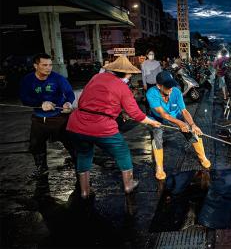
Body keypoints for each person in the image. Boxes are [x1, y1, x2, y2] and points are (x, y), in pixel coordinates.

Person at [66, 56, 161, 199]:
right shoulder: (123, 87)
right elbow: (135, 114)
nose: (130, 77)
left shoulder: (96, 78)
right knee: (122, 152)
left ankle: (85, 191)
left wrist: (119, 111)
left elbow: (87, 99)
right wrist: (152, 122)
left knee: (84, 154)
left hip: (77, 124)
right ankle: (129, 185)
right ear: (123, 73)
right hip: (102, 127)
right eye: (129, 74)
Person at [20, 53, 76, 179]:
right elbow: (24, 98)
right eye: (44, 65)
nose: (48, 68)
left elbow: (69, 93)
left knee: (71, 143)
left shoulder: (58, 78)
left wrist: (68, 103)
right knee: (36, 145)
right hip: (39, 119)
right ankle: (41, 168)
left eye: (50, 65)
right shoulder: (27, 80)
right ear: (36, 65)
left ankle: (79, 166)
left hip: (59, 117)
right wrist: (40, 104)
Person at [146, 71, 211, 180]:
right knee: (157, 138)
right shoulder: (151, 93)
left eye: (171, 85)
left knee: (191, 132)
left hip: (176, 116)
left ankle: (202, 157)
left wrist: (192, 124)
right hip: (158, 119)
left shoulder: (176, 92)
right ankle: (159, 167)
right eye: (167, 87)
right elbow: (163, 114)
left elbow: (184, 111)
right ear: (158, 86)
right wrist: (181, 124)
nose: (170, 89)